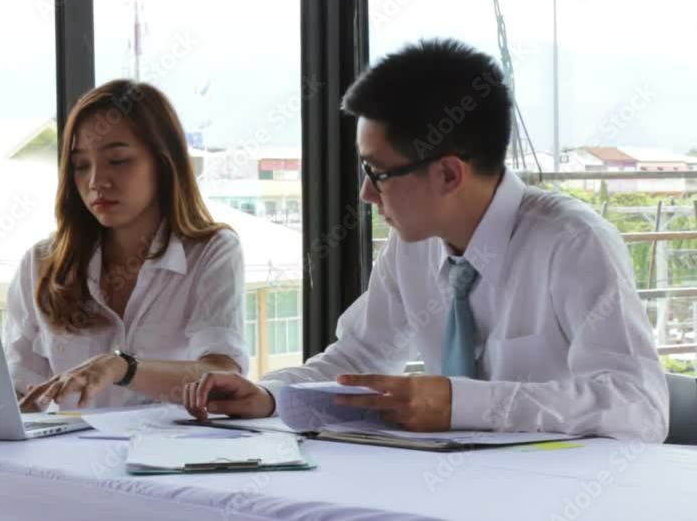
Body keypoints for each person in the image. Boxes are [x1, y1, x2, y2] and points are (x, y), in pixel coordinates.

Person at [182, 39, 669, 441]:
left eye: (378, 173)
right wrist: (269, 394)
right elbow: (359, 358)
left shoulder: (572, 244)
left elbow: (639, 406)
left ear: (449, 174)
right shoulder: (413, 245)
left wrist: (463, 403)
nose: (366, 193)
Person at [5, 79, 248, 411]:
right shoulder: (40, 264)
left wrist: (122, 368)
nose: (96, 182)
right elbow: (20, 393)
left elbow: (222, 375)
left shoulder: (211, 251)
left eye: (118, 160)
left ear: (164, 162)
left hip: (172, 443)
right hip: (71, 444)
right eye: (81, 166)